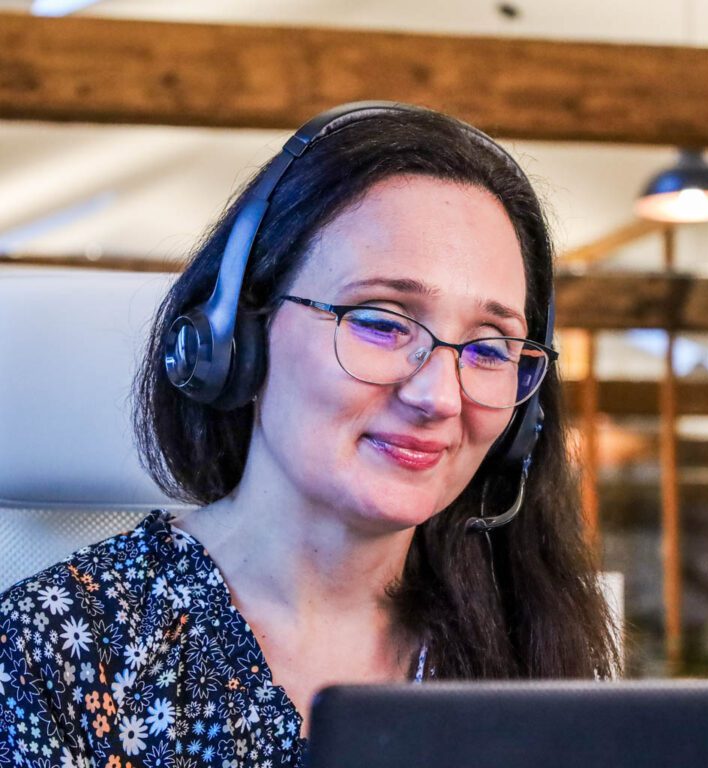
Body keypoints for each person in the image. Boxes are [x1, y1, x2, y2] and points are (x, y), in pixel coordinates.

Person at [0, 102, 620, 767]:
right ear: (238, 338)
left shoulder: (536, 641)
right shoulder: (56, 653)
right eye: (382, 322)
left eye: (491, 348)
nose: (439, 396)